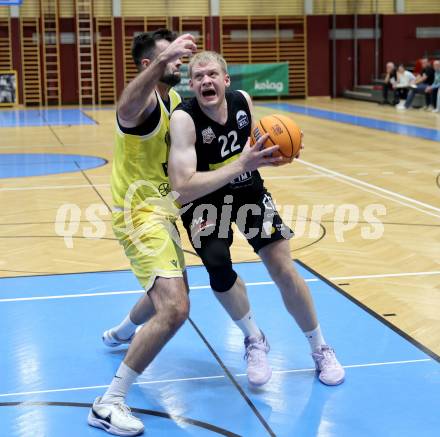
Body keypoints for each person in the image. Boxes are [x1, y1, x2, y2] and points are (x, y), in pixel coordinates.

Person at [168, 51, 345, 389]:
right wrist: (243, 165)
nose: (206, 80)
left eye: (212, 74)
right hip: (202, 198)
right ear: (191, 85)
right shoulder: (184, 120)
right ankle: (254, 339)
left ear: (226, 80)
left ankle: (320, 347)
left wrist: (275, 156)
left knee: (283, 268)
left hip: (246, 190)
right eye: (198, 76)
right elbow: (183, 187)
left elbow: (253, 151)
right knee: (219, 270)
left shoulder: (242, 102)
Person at [87, 29, 197, 436]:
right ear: (148, 66)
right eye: (169, 57)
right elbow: (125, 103)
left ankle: (120, 333)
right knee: (175, 308)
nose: (179, 62)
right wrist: (163, 59)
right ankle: (109, 402)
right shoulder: (142, 104)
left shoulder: (172, 102)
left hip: (161, 210)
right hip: (138, 215)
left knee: (168, 291)